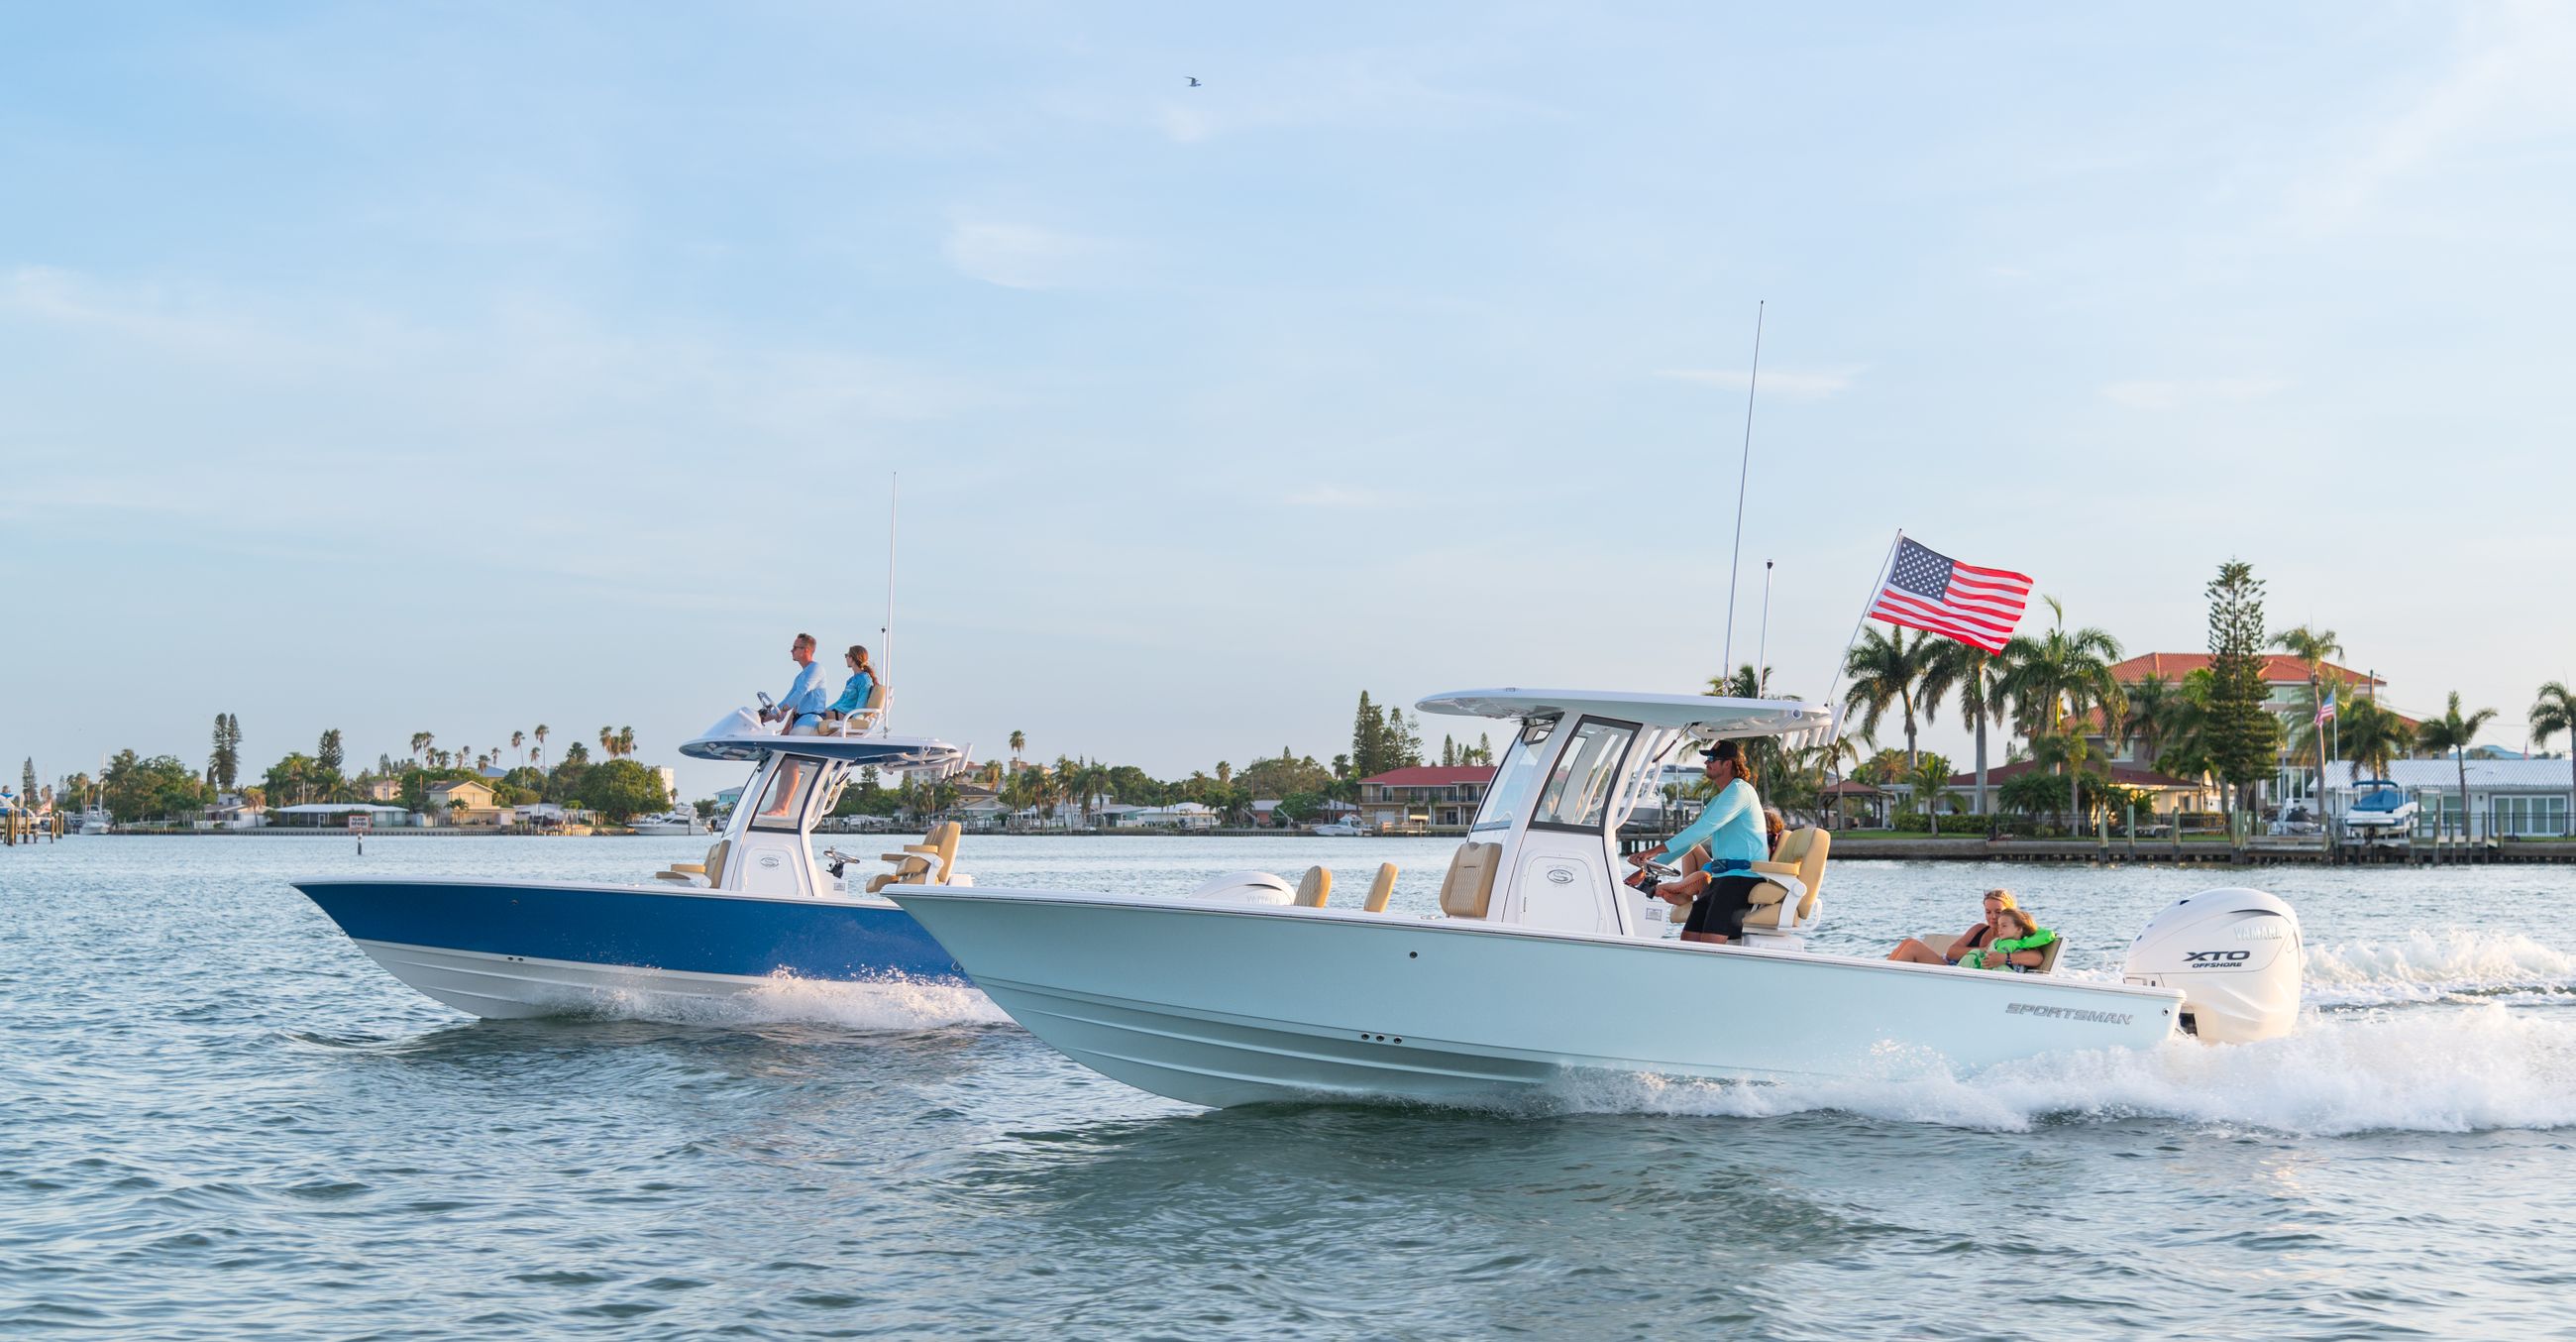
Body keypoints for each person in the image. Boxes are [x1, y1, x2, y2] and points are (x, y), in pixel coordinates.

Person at [1625, 738, 1766, 945]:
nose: (1706, 763)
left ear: (1728, 764)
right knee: (1688, 938)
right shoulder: (1720, 799)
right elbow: (1691, 841)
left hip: (1741, 879)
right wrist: (1647, 869)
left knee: (1709, 941)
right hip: (1721, 879)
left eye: (1712, 759)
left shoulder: (1739, 791)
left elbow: (1701, 830)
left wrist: (1653, 851)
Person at [1887, 888, 2016, 964]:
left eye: (1998, 912)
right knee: (1907, 941)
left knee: (1913, 947)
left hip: (1959, 974)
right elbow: (1951, 952)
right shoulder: (1979, 929)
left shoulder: (2011, 937)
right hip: (1950, 964)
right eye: (1988, 912)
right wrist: (1983, 950)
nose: (1992, 917)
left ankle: (1883, 984)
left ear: (2010, 912)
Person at [760, 632, 830, 732]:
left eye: (795, 648)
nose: (791, 650)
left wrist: (784, 709)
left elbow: (801, 692)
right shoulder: (800, 677)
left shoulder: (816, 669)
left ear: (805, 650)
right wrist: (761, 719)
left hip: (810, 721)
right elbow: (786, 700)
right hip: (800, 722)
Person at [1957, 908, 2056, 972]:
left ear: (2018, 929)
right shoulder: (1997, 942)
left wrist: (2004, 958)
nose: (1999, 929)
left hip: (2006, 980)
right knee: (1975, 953)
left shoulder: (2021, 944)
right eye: (1999, 926)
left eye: (2004, 926)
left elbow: (2037, 958)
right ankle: (1959, 974)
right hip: (1986, 976)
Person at [817, 645, 878, 730]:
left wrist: (855, 722)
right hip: (838, 712)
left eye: (847, 655)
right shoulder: (851, 680)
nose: (846, 658)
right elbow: (840, 701)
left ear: (852, 658)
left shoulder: (864, 679)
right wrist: (826, 710)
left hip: (846, 716)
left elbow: (861, 703)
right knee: (813, 710)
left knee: (813, 711)